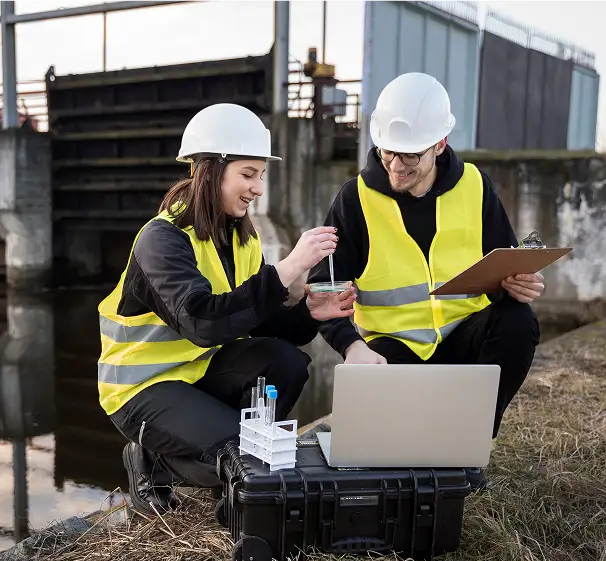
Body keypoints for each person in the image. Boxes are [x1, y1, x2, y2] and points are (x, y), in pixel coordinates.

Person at [98, 103, 356, 515]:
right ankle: (151, 461)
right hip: (140, 389)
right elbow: (202, 322)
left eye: (261, 176)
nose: (258, 188)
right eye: (248, 175)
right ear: (211, 170)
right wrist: (290, 266)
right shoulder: (161, 240)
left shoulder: (241, 240)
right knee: (242, 454)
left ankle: (233, 471)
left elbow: (259, 320)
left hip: (198, 373)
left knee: (286, 362)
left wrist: (311, 312)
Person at [308, 73, 543, 489]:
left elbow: (505, 267)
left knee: (518, 321)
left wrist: (521, 284)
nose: (397, 166)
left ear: (440, 144)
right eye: (388, 152)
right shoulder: (355, 199)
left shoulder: (475, 186)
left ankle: (468, 443)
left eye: (411, 155)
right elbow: (324, 289)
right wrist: (351, 346)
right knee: (387, 457)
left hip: (465, 338)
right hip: (392, 351)